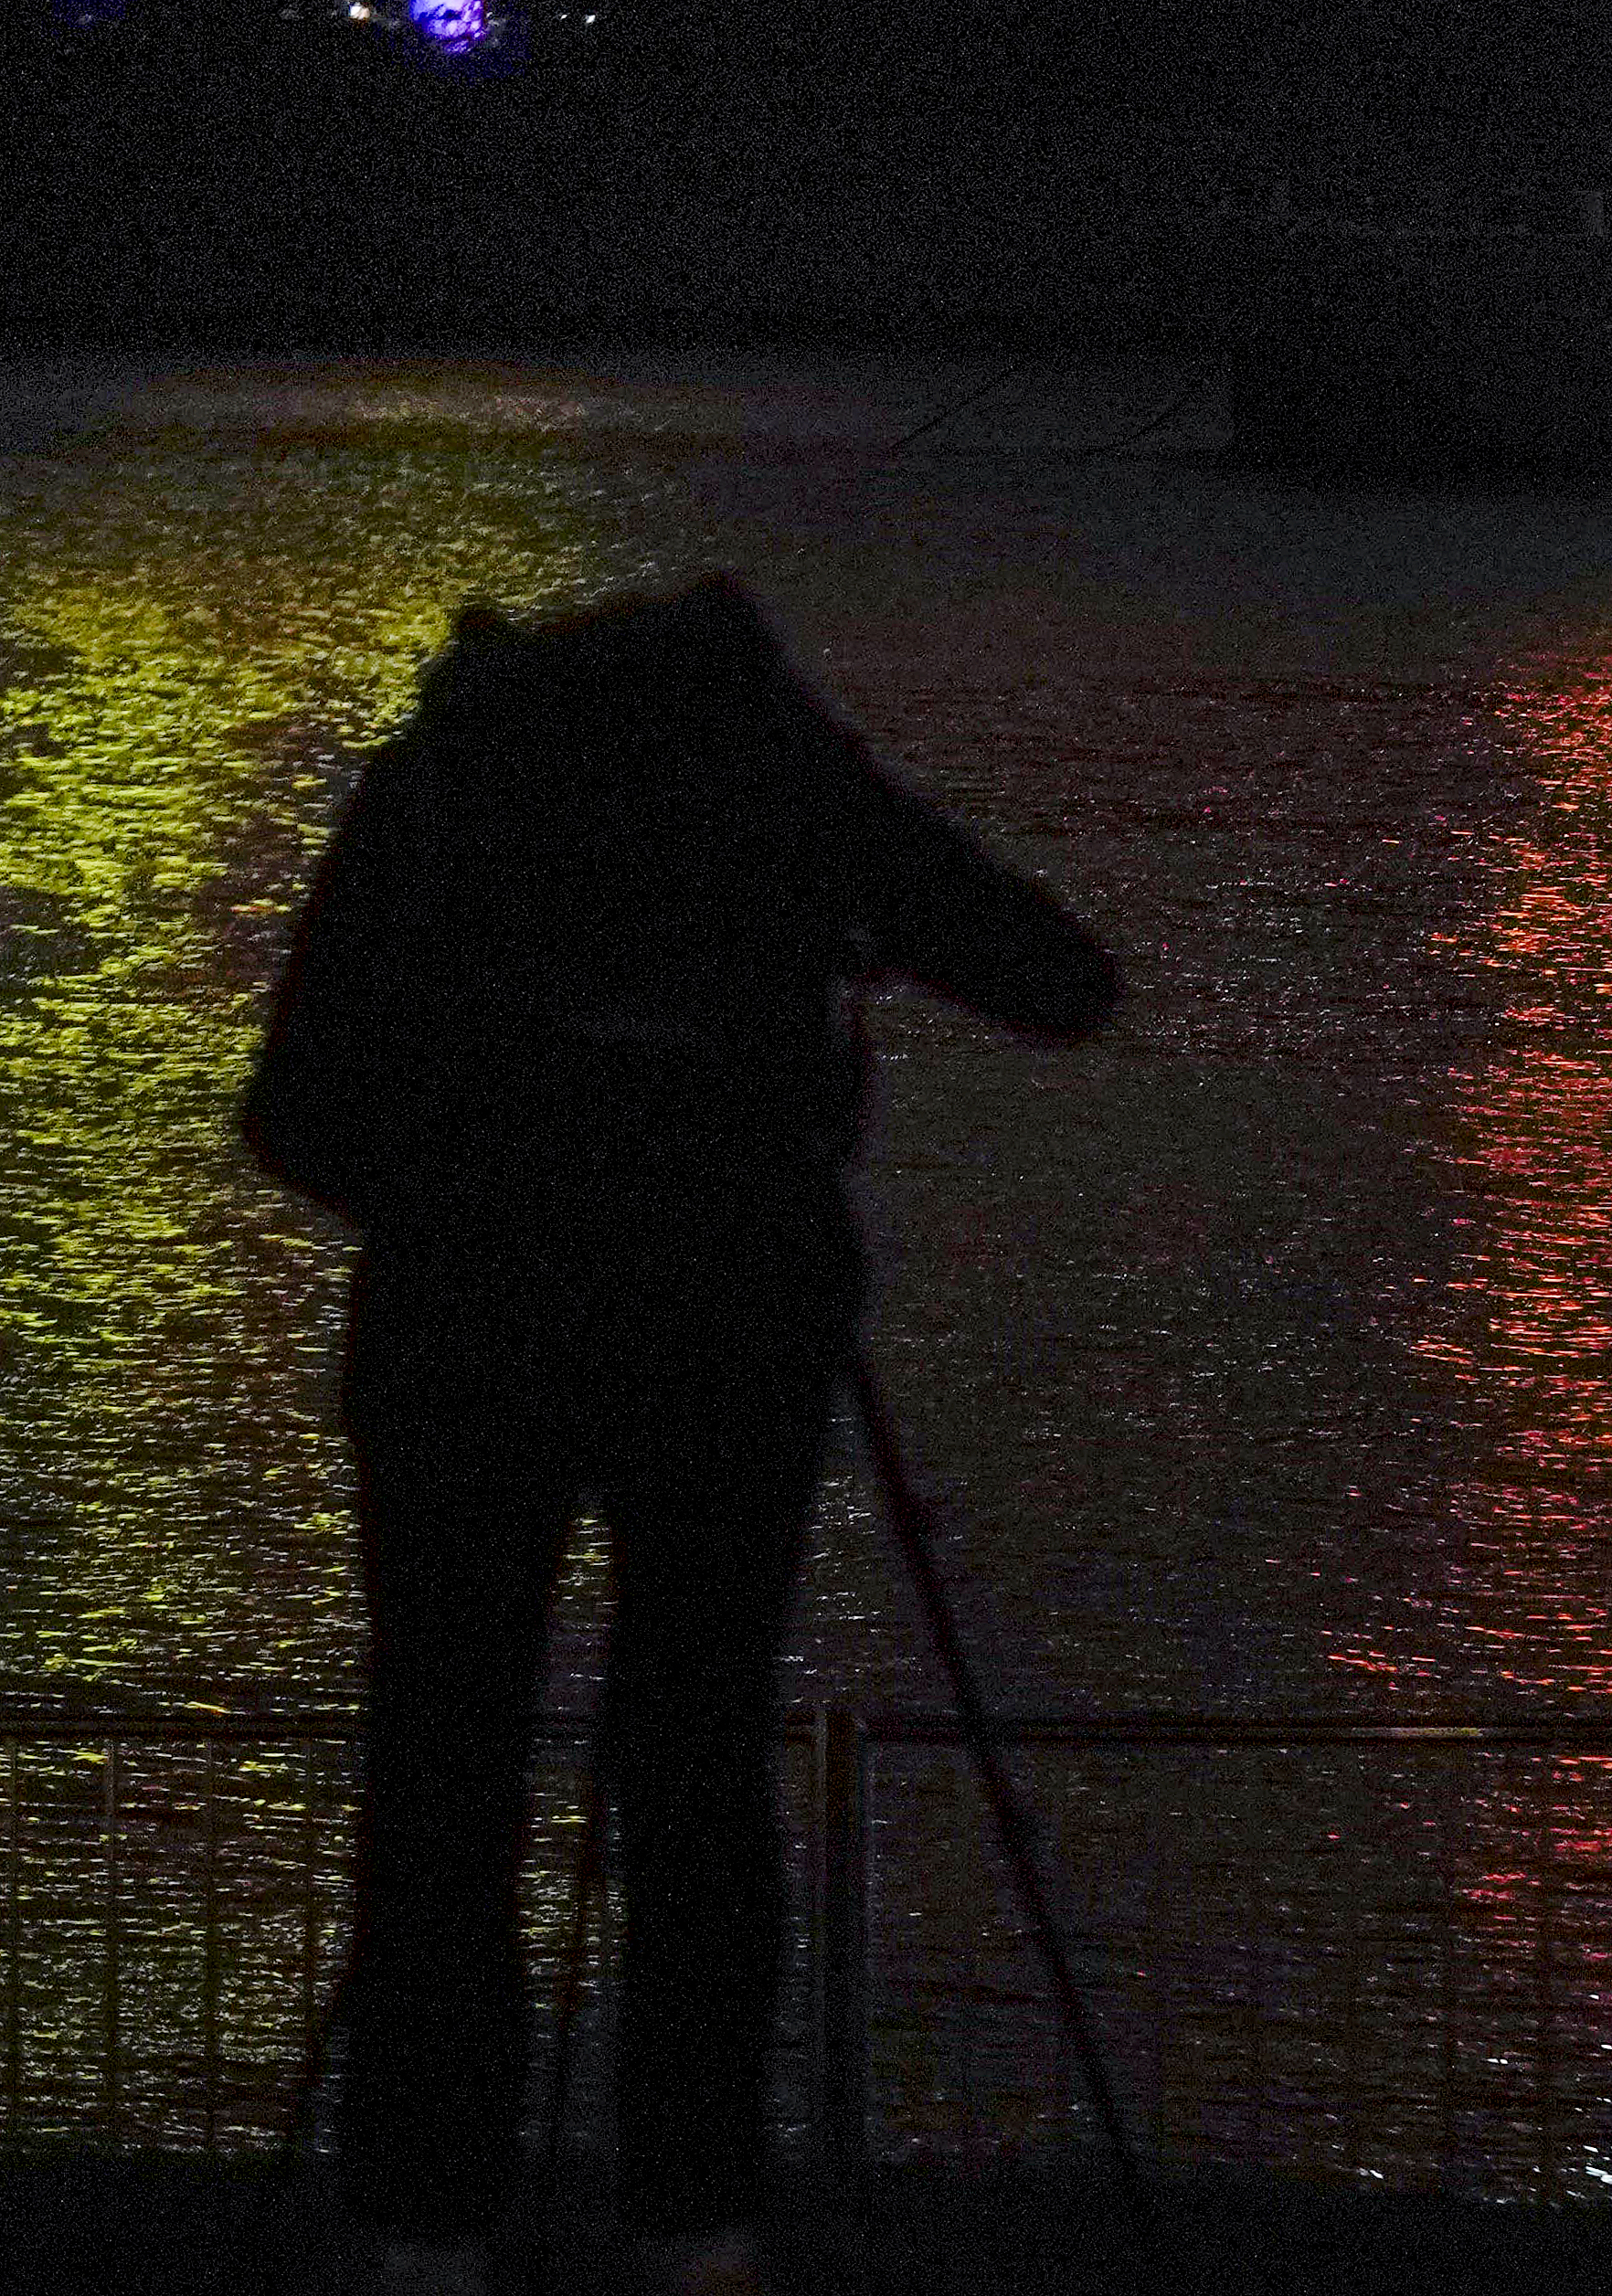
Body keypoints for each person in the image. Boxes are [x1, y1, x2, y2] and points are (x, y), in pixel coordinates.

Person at [239, 574, 1119, 2296]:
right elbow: (1057, 976)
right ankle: (692, 2211)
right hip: (730, 1311)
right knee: (699, 1764)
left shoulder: (443, 779)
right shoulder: (780, 773)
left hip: (460, 1324)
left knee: (440, 1766)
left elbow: (292, 1106)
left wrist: (466, 1184)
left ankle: (423, 2213)